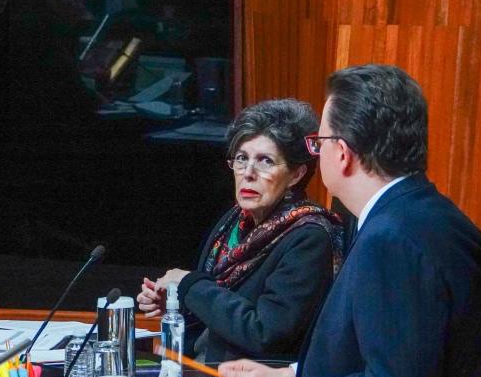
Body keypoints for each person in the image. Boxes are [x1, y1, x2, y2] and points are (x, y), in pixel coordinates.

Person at [213, 64, 481, 377]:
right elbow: (396, 356)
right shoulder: (415, 214)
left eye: (320, 142)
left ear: (343, 153)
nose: (318, 152)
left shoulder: (395, 238)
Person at [137, 99, 343, 363]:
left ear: (296, 175)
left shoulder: (309, 237)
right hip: (201, 369)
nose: (248, 172)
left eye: (265, 161)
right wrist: (177, 302)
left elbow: (265, 334)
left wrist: (191, 287)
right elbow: (219, 309)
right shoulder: (234, 221)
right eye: (242, 159)